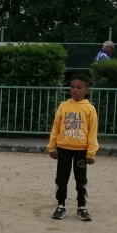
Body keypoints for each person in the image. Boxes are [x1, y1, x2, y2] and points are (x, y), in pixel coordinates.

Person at [47, 72, 99, 222]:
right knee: (61, 179)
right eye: (72, 87)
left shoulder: (89, 109)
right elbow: (56, 127)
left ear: (86, 90)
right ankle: (60, 205)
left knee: (81, 180)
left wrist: (91, 152)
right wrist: (52, 147)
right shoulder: (63, 106)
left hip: (81, 151)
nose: (75, 90)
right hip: (63, 149)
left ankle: (81, 207)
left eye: (79, 87)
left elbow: (92, 132)